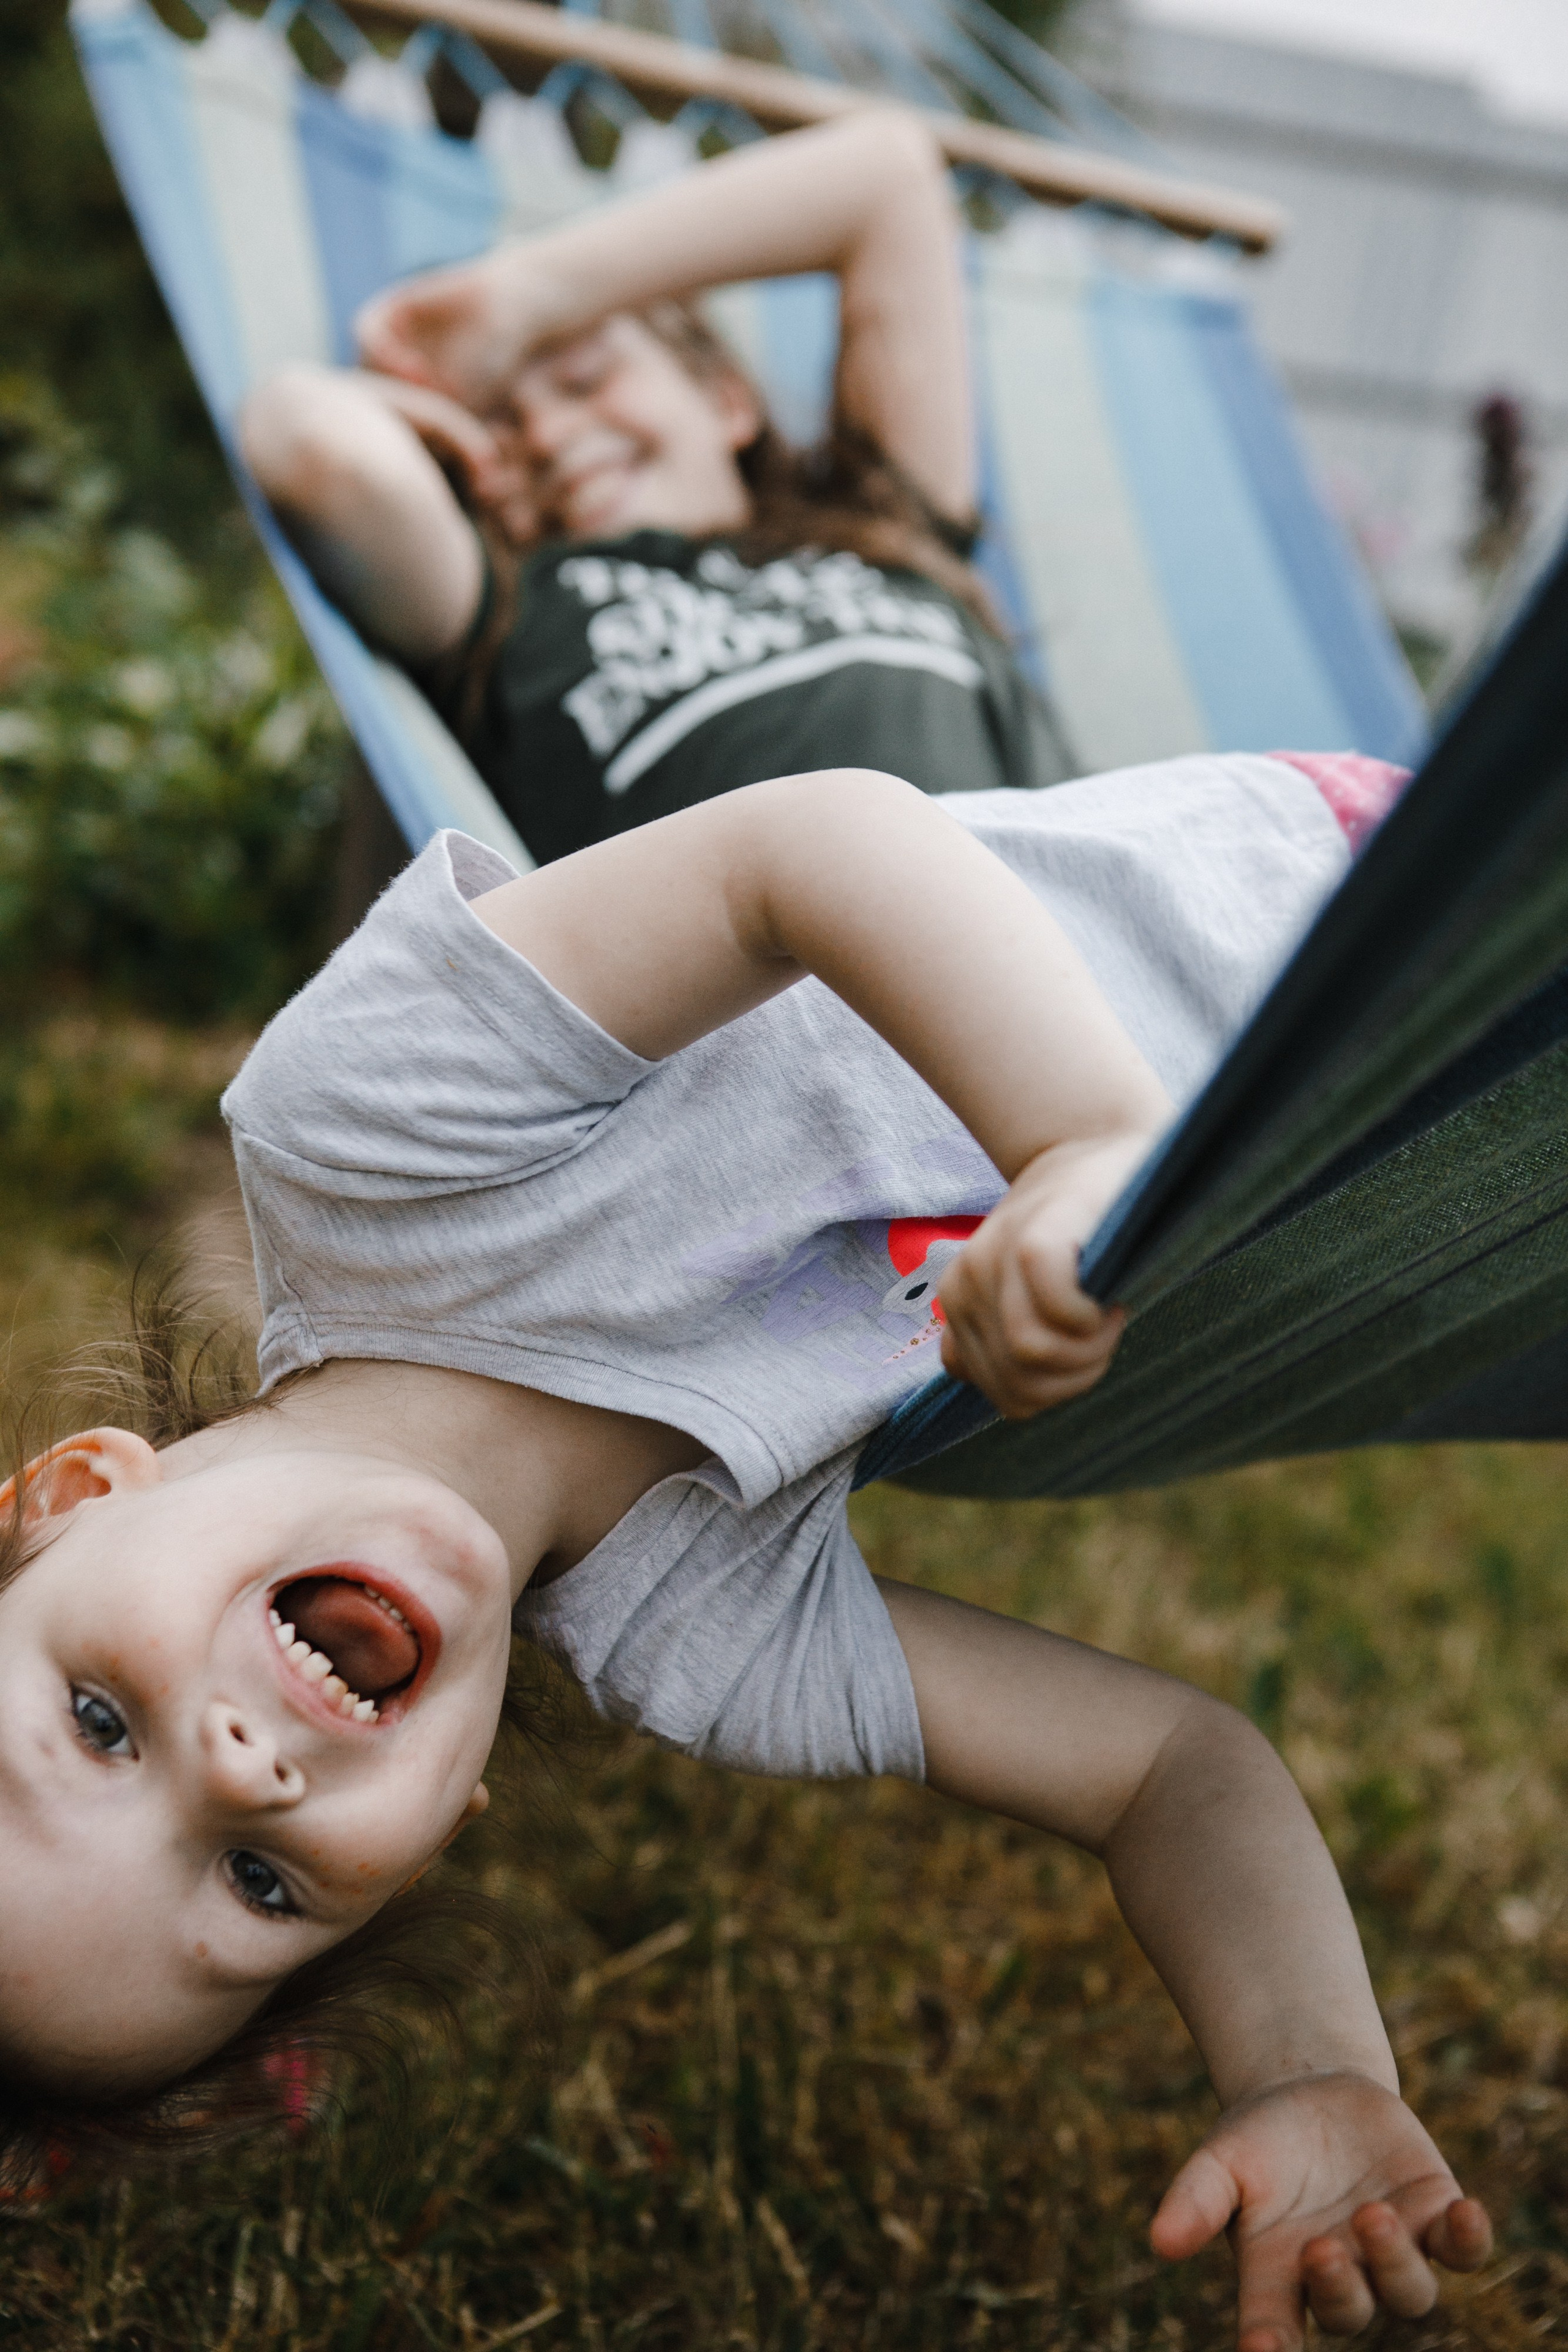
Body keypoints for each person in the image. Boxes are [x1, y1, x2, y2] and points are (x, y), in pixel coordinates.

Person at [0, 748, 1490, 2345]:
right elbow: (1167, 1766)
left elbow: (809, 843)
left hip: (1356, 915)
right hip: (1446, 1148)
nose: (237, 1769)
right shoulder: (711, 1640)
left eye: (95, 1725)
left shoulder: (360, 1134)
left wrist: (1089, 1146)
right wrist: (1308, 2063)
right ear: (438, 1834)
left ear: (78, 1493)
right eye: (256, 1882)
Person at [238, 110, 1077, 867]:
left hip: (1089, 926)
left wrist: (520, 300)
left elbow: (889, 176)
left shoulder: (884, 522)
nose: (549, 436)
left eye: (585, 376)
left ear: (725, 396)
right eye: (496, 426)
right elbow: (309, 449)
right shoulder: (507, 622)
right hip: (813, 999)